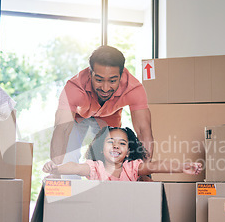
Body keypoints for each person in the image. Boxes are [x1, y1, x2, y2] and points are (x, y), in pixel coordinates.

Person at [49, 45, 154, 178]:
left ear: (121, 75)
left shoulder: (134, 89)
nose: (105, 88)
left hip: (109, 118)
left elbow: (144, 131)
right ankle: (70, 193)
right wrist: (55, 170)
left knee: (109, 157)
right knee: (69, 155)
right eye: (99, 80)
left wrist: (145, 174)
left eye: (112, 81)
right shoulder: (74, 88)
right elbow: (61, 130)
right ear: (90, 73)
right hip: (79, 116)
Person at [43, 127, 202, 181]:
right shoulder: (95, 168)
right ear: (100, 148)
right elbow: (76, 167)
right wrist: (56, 168)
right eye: (111, 141)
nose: (116, 146)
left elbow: (154, 166)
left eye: (122, 143)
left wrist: (182, 167)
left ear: (128, 152)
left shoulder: (132, 168)